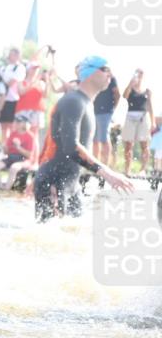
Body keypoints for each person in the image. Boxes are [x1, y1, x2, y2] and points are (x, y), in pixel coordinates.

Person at [33, 56, 133, 223]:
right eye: (105, 69)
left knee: (75, 236)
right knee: (51, 242)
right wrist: (107, 173)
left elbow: (52, 140)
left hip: (71, 185)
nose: (111, 74)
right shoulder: (73, 101)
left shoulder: (86, 103)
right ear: (89, 72)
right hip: (54, 182)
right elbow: (71, 146)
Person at [121, 69, 154, 176]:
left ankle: (142, 169)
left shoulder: (147, 91)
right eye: (137, 74)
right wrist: (130, 85)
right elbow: (124, 96)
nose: (139, 77)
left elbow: (150, 106)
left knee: (144, 144)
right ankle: (127, 170)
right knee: (128, 145)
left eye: (141, 75)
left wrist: (153, 121)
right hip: (130, 117)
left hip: (143, 118)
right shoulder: (130, 88)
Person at [0, 115, 34, 190]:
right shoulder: (13, 134)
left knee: (14, 168)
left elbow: (29, 155)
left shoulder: (30, 136)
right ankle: (1, 187)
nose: (16, 123)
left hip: (23, 159)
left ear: (25, 124)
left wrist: (18, 147)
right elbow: (6, 152)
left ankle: (7, 188)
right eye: (16, 122)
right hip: (11, 157)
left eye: (19, 122)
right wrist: (4, 147)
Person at [92, 69, 120, 169]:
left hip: (106, 112)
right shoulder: (95, 78)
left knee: (104, 138)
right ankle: (95, 165)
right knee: (95, 139)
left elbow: (117, 94)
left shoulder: (111, 79)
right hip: (94, 110)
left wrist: (112, 109)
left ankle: (105, 166)